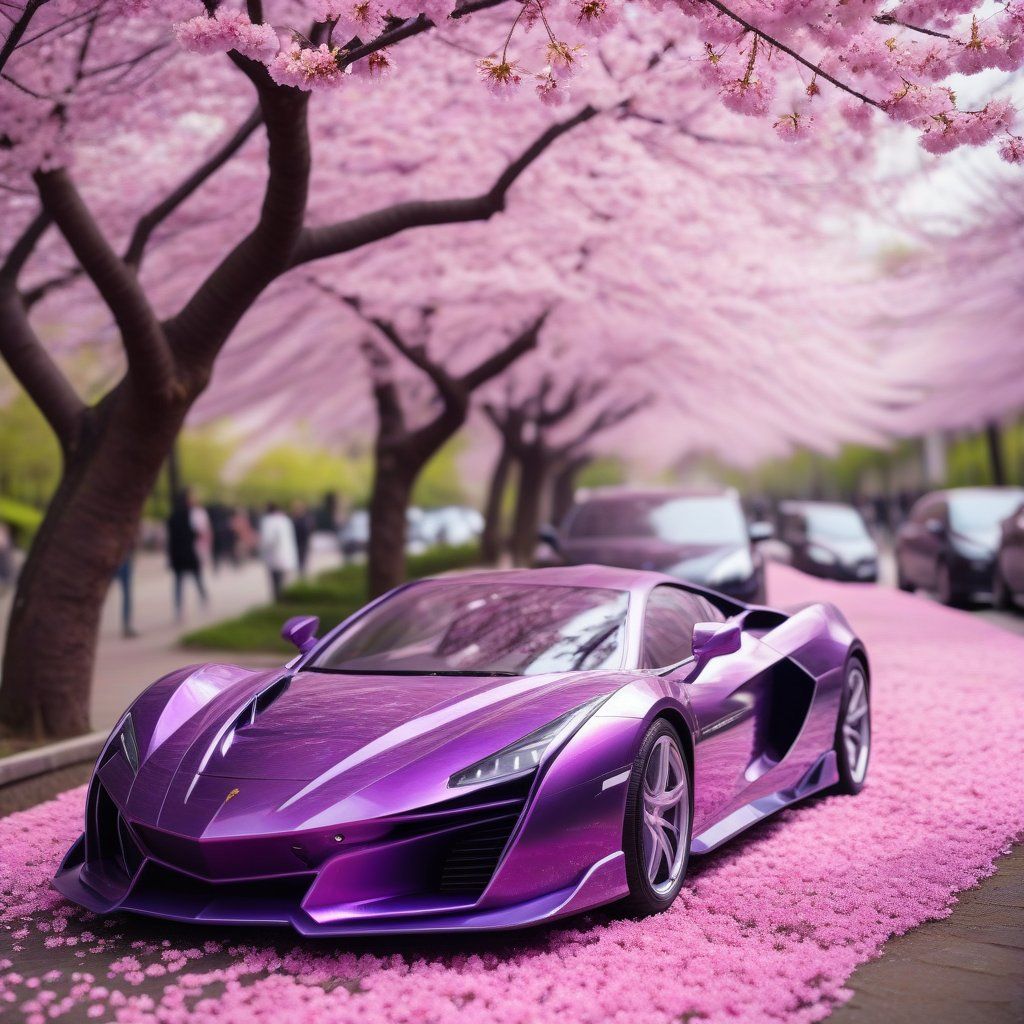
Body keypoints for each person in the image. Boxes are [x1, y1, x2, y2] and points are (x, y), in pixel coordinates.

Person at [167, 488, 208, 621]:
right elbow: (193, 533)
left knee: (179, 582)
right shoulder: (189, 515)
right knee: (196, 577)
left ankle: (179, 608)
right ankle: (203, 597)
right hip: (188, 553)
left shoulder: (172, 517)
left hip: (177, 554)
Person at [260, 502, 298, 601]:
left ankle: (278, 599)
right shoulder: (285, 520)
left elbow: (267, 540)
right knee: (283, 581)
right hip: (285, 555)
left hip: (274, 556)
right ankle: (281, 598)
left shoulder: (269, 521)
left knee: (276, 582)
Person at [291, 500, 315, 579]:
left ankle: (302, 578)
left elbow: (309, 530)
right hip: (296, 543)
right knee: (299, 564)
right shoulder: (294, 519)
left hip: (303, 543)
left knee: (302, 563)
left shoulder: (305, 519)